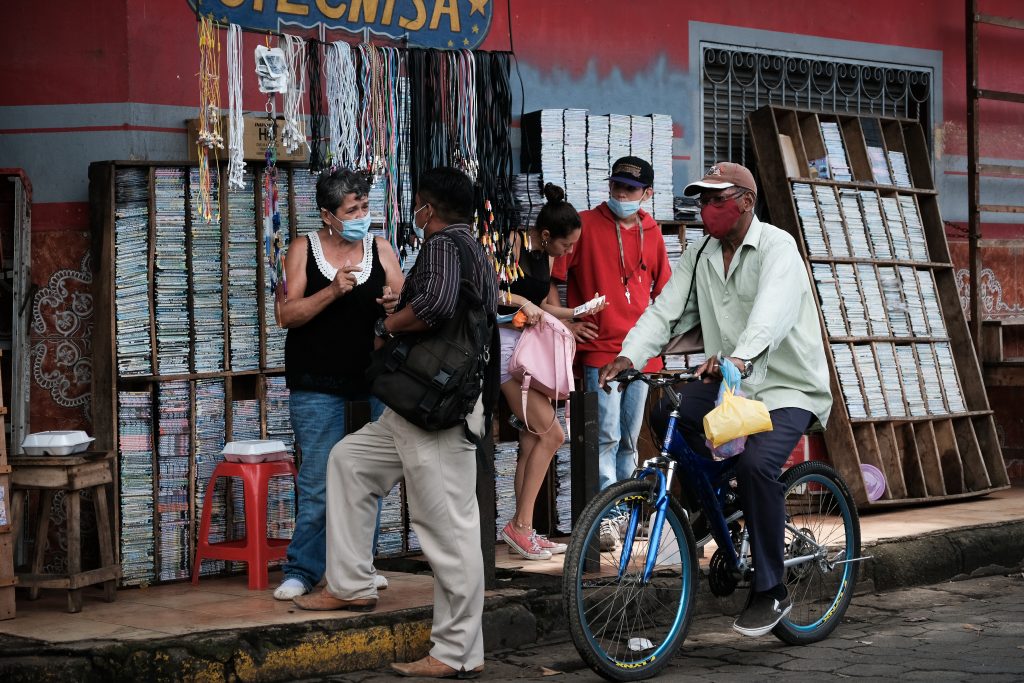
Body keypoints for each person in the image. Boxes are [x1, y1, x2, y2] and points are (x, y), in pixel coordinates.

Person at [599, 161, 832, 639]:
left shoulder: (777, 248)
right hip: (733, 384)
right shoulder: (702, 252)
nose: (705, 208)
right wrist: (628, 356)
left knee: (756, 467)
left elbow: (771, 312)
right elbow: (665, 310)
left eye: (715, 199)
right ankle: (718, 502)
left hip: (787, 386)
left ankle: (770, 588)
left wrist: (741, 357)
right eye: (701, 200)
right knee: (668, 409)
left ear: (744, 203)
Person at [294, 167, 498, 680]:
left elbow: (433, 306)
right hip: (412, 407)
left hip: (436, 410)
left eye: (419, 204)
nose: (415, 212)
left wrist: (389, 322)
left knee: (446, 531)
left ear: (429, 207)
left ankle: (454, 652)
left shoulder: (446, 245)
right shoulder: (468, 245)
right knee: (350, 462)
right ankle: (350, 583)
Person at [272, 168, 404, 601]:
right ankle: (303, 569)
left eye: (365, 207)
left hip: (371, 382)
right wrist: (332, 292)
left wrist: (391, 304)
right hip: (317, 384)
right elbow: (285, 315)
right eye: (353, 209)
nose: (362, 215)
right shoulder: (301, 249)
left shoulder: (380, 247)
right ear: (328, 215)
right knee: (317, 481)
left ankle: (357, 566)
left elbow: (401, 302)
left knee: (367, 477)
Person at [551, 156, 671, 551]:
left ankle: (626, 512)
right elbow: (553, 281)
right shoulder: (584, 225)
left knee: (629, 440)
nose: (621, 194)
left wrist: (659, 343)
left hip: (639, 353)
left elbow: (664, 294)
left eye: (630, 189)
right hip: (599, 349)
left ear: (647, 194)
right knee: (603, 436)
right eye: (616, 186)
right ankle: (607, 517)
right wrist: (567, 323)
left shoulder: (653, 232)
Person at [497, 183, 602, 561]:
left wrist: (575, 313)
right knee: (553, 435)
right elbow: (492, 290)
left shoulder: (545, 257)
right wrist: (524, 301)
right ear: (545, 235)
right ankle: (520, 527)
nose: (568, 252)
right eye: (565, 246)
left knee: (532, 441)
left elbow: (541, 302)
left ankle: (523, 527)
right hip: (507, 353)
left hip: (528, 354)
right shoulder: (512, 245)